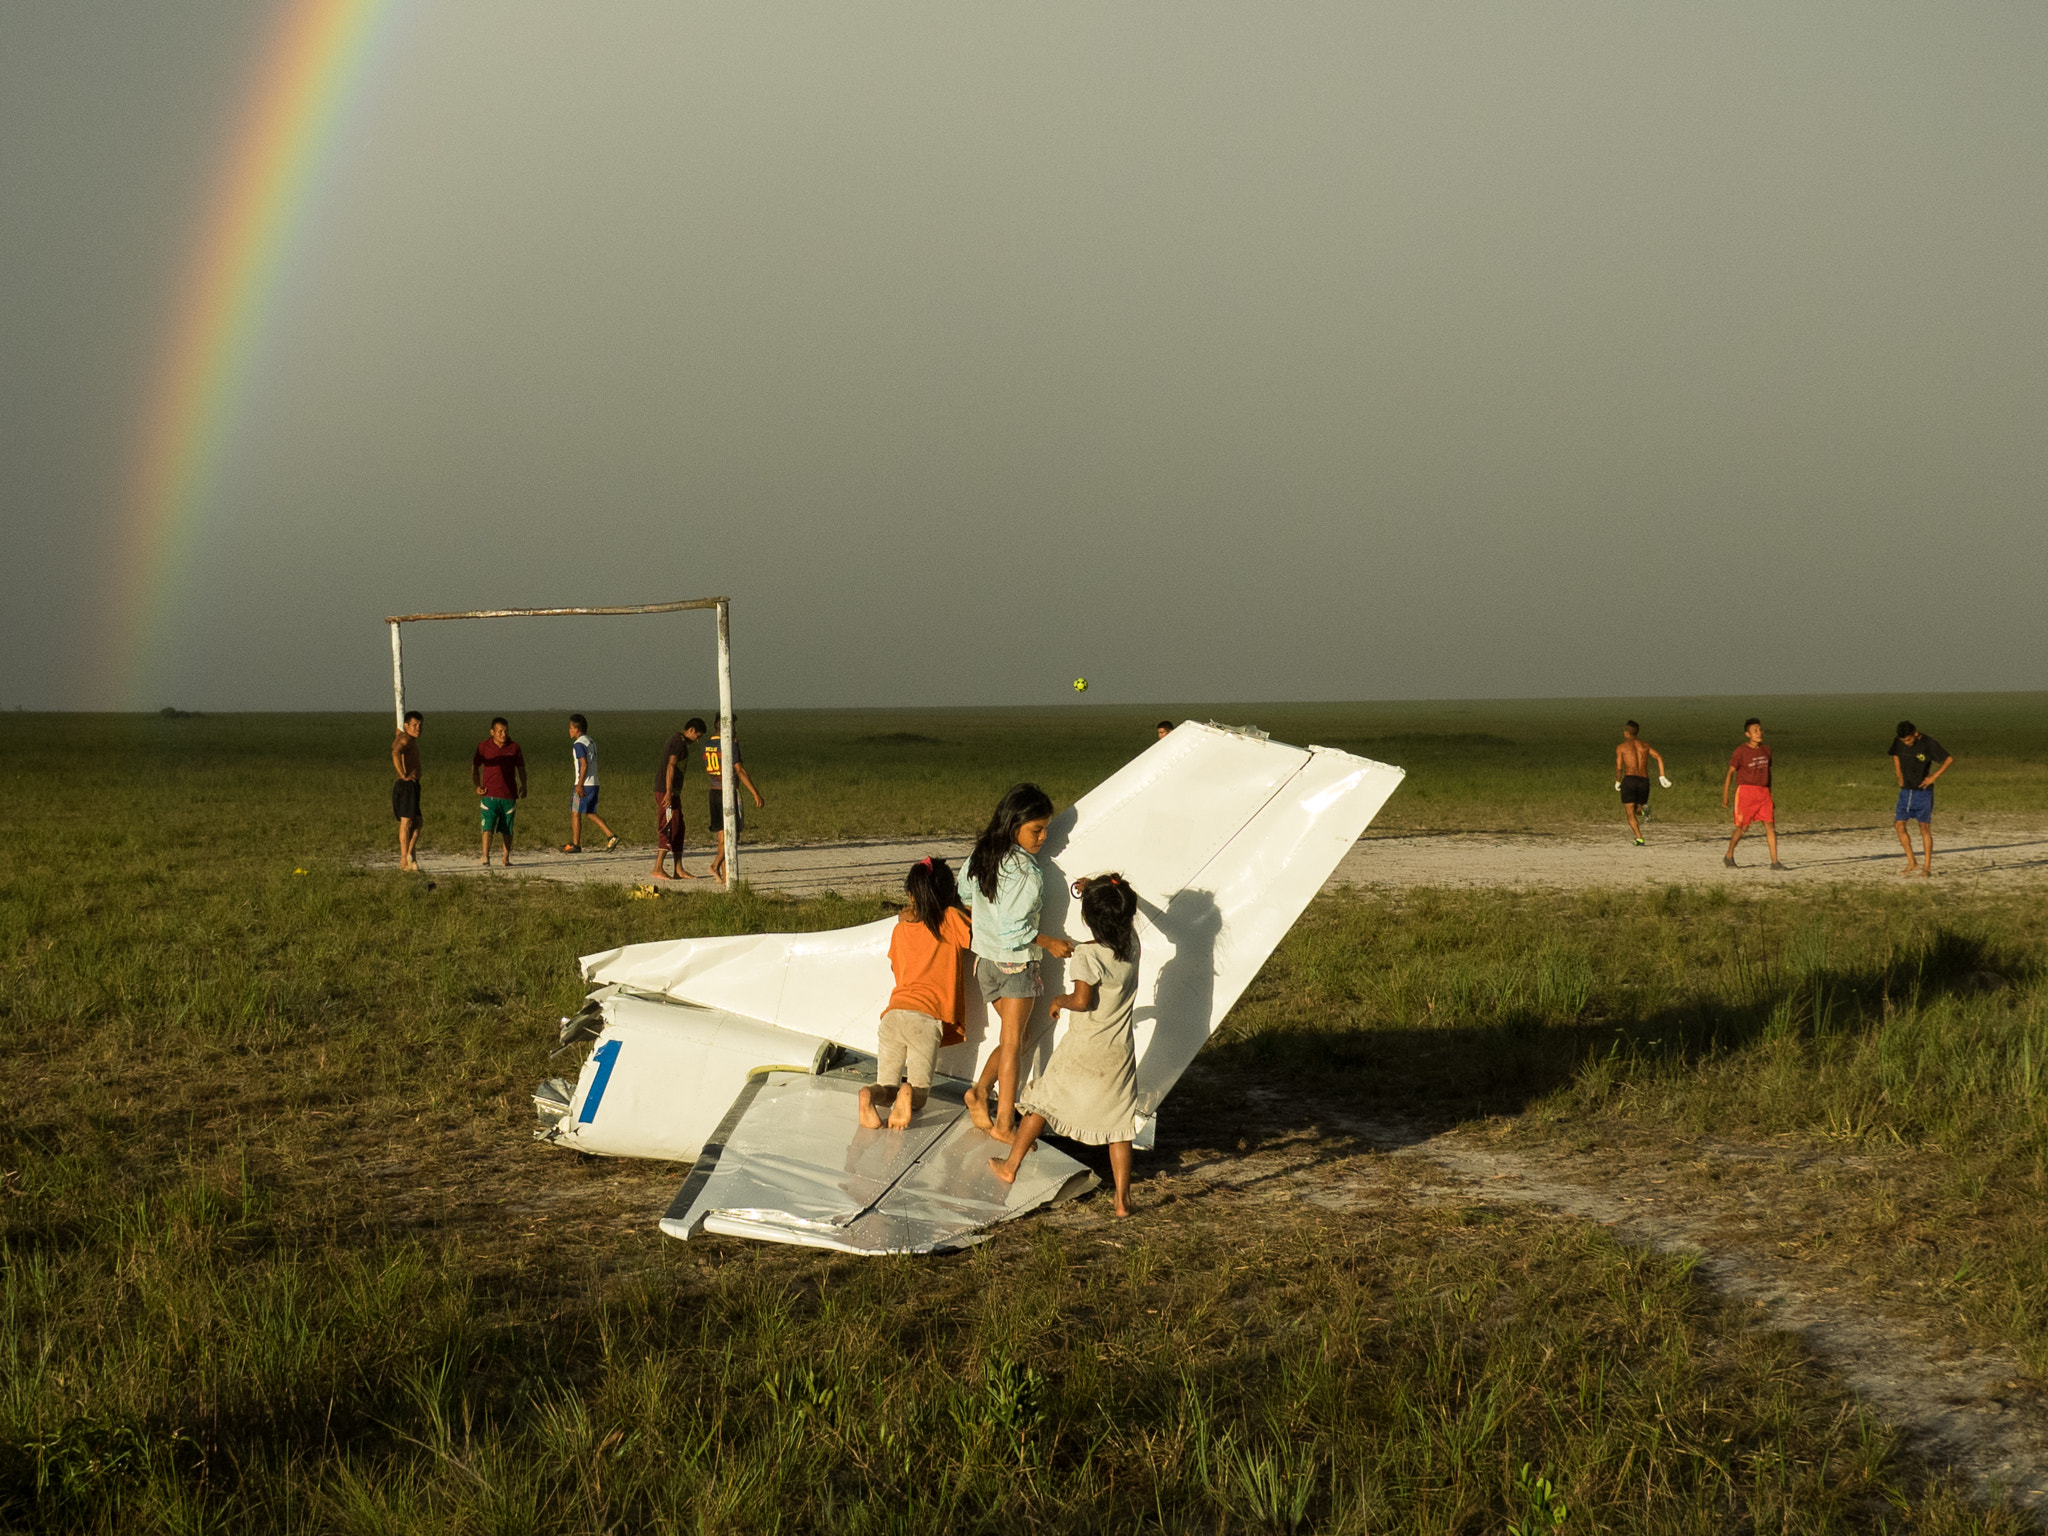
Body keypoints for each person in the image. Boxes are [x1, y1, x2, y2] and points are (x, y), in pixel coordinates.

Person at [989, 874, 1143, 1218]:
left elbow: (1083, 999)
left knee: (1042, 1103)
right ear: (1127, 915)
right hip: (1118, 1052)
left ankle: (1011, 1165)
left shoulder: (1087, 956)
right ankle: (1122, 1201)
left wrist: (1059, 999)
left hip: (1084, 1049)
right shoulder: (1132, 945)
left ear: (1086, 918)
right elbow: (1122, 913)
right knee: (1119, 1126)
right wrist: (1100, 890)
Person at [959, 783, 1074, 1141]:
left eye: (1046, 830)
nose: (1044, 838)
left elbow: (965, 894)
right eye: (1036, 830)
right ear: (1014, 826)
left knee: (1018, 1037)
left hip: (987, 965)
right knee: (1014, 1043)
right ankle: (1006, 1123)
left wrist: (987, 924)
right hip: (1017, 966)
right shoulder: (1027, 872)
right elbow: (1016, 930)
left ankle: (978, 1093)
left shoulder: (981, 856)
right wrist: (1048, 941)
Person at [859, 857, 974, 1131]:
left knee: (886, 1086)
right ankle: (908, 1093)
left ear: (911, 895)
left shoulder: (900, 929)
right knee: (920, 1094)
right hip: (924, 1019)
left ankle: (868, 1096)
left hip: (893, 1014)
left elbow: (895, 965)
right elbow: (979, 936)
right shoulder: (951, 920)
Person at [1889, 720, 1954, 877]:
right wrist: (1898, 774)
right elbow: (1895, 754)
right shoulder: (1898, 741)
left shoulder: (1928, 743)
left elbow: (1949, 759)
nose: (1907, 743)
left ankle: (1927, 868)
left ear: (1915, 734)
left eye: (1909, 740)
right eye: (1904, 741)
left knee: (1924, 828)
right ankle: (1912, 862)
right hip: (1905, 791)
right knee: (1899, 825)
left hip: (1923, 791)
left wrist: (1933, 778)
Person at [703, 722, 764, 885]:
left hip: (713, 791)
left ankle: (724, 877)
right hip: (727, 793)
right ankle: (715, 866)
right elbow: (739, 770)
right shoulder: (729, 745)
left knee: (722, 837)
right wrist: (755, 793)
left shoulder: (708, 744)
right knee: (733, 834)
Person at [1721, 717, 1783, 870]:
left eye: (1760, 730)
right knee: (1742, 828)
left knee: (1770, 826)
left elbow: (1768, 773)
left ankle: (1775, 862)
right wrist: (1725, 796)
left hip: (1764, 793)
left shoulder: (1766, 750)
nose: (1759, 733)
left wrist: (1770, 793)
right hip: (1746, 792)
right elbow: (1730, 773)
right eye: (1755, 731)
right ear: (1747, 734)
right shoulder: (1741, 751)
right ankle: (1729, 856)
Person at [650, 717, 705, 880]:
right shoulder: (678, 743)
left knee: (679, 827)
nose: (697, 740)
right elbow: (671, 765)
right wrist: (668, 791)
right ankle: (658, 867)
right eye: (698, 736)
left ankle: (678, 868)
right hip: (666, 791)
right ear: (691, 730)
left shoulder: (680, 742)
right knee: (668, 826)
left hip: (675, 792)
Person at [472, 717, 526, 867]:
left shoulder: (514, 747)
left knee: (507, 828)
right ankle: (485, 856)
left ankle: (506, 858)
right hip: (489, 794)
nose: (503, 734)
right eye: (500, 731)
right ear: (492, 732)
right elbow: (475, 767)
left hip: (509, 795)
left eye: (506, 731)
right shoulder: (483, 746)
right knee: (487, 826)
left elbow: (521, 768)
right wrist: (477, 785)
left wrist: (524, 784)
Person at [563, 714, 619, 853]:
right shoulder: (590, 741)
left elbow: (584, 765)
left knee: (576, 811)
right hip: (593, 783)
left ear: (577, 729)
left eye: (570, 728)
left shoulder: (578, 744)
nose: (569, 730)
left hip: (584, 784)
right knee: (589, 812)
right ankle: (610, 836)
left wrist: (579, 785)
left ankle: (578, 844)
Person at [1614, 720, 1671, 846]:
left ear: (1626, 733)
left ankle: (1639, 838)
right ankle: (1645, 812)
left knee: (1630, 812)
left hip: (1629, 780)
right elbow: (1658, 757)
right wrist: (1662, 775)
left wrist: (1618, 781)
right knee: (1638, 809)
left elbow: (1619, 768)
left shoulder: (1621, 747)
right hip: (1644, 781)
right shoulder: (1645, 745)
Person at [390, 710, 424, 871]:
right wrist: (403, 774)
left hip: (413, 786)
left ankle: (409, 853)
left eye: (420, 725)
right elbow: (395, 752)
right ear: (406, 726)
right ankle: (404, 859)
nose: (418, 728)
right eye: (414, 725)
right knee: (407, 822)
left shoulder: (407, 738)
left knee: (417, 822)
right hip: (406, 786)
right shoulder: (405, 740)